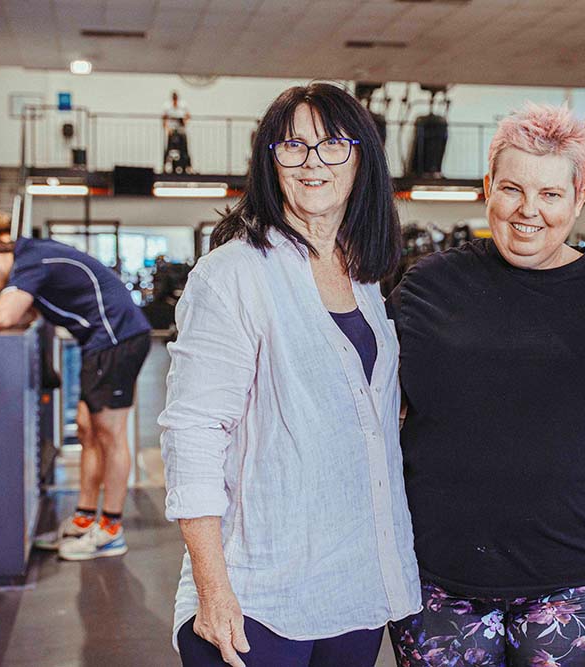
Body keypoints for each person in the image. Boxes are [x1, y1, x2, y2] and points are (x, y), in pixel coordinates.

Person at [387, 103, 585, 666]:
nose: (527, 211)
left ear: (579, 198)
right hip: (439, 579)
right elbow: (373, 419)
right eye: (511, 189)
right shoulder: (426, 288)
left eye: (551, 195)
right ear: (488, 187)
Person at [159, 82, 420, 667]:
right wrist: (212, 587)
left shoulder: (368, 276)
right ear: (269, 161)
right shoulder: (232, 276)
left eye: (331, 144)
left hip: (353, 586)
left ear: (361, 160)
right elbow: (194, 433)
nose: (312, 162)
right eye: (292, 146)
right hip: (258, 591)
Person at [0, 234, 152, 560]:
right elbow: (24, 314)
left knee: (110, 435)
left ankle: (112, 530)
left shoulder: (30, 260)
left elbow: (4, 316)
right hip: (101, 342)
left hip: (117, 338)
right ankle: (85, 519)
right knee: (87, 429)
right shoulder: (32, 261)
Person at [163, 91, 192, 173]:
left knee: (184, 149)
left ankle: (187, 166)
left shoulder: (183, 106)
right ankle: (165, 165)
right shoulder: (167, 106)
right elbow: (164, 118)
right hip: (172, 130)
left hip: (181, 130)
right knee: (169, 149)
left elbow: (188, 116)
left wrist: (183, 122)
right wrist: (167, 129)